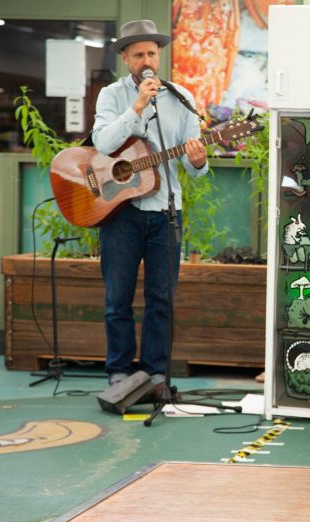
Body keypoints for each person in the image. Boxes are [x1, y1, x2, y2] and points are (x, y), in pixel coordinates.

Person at [93, 20, 208, 399]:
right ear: (125, 57)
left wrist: (199, 158)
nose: (146, 60)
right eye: (138, 53)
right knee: (118, 298)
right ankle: (119, 373)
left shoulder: (181, 97)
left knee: (161, 299)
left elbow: (195, 167)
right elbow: (106, 144)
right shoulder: (112, 95)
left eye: (152, 53)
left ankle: (155, 374)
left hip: (165, 213)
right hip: (119, 212)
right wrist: (137, 105)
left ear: (159, 56)